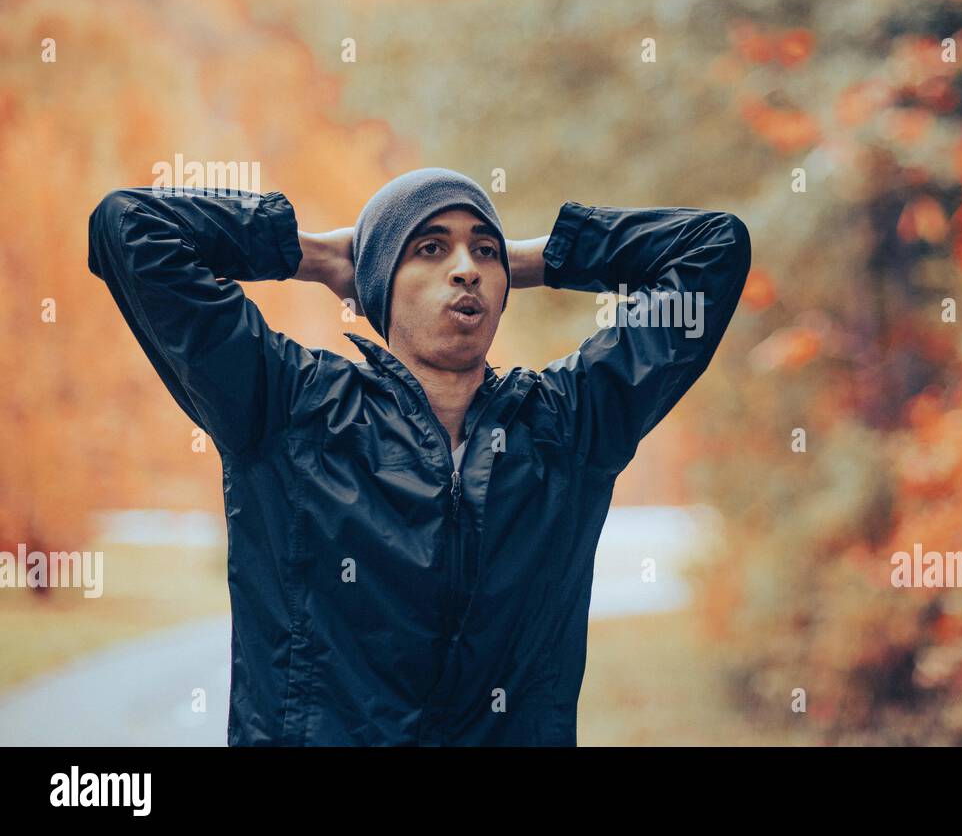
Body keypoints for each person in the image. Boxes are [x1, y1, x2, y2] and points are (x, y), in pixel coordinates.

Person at [87, 167, 751, 745]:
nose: (465, 267)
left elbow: (713, 249)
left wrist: (537, 260)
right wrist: (311, 253)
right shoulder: (287, 410)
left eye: (482, 251)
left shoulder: (568, 429)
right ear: (378, 281)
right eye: (429, 248)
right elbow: (129, 223)